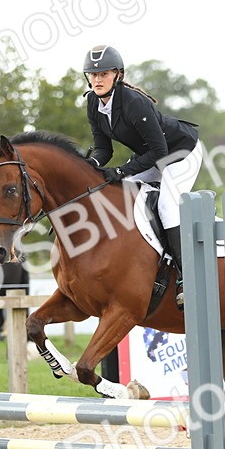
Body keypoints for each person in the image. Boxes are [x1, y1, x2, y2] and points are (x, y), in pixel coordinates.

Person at [82, 44, 202, 307]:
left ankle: (186, 278)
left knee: (168, 206)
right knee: (121, 195)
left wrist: (122, 170)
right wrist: (88, 165)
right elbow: (103, 149)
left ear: (118, 75)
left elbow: (160, 151)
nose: (98, 79)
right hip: (151, 155)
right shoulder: (93, 103)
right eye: (93, 74)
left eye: (104, 74)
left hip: (181, 153)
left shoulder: (134, 102)